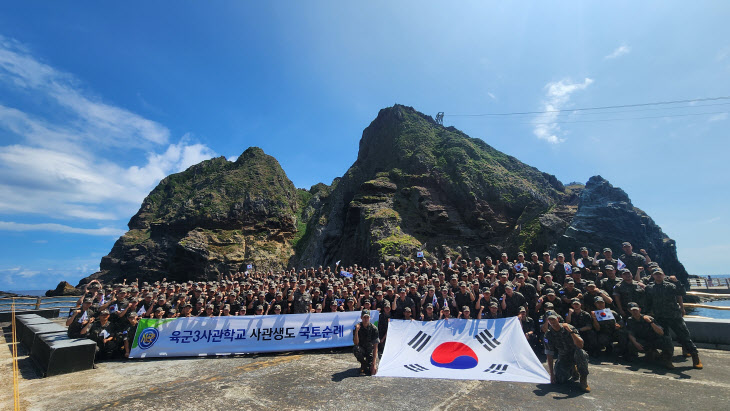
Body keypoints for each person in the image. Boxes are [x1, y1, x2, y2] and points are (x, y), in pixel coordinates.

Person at [645, 269, 702, 369]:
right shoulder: (650, 288)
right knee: (665, 339)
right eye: (656, 274)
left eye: (660, 274)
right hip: (660, 317)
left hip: (674, 316)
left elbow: (682, 293)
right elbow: (649, 301)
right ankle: (667, 359)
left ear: (663, 275)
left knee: (684, 336)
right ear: (653, 276)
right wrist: (649, 312)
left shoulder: (670, 286)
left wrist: (676, 282)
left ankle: (695, 356)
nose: (658, 276)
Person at [544, 310, 590, 392]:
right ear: (547, 320)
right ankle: (573, 369)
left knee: (581, 353)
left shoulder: (569, 327)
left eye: (553, 319)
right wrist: (551, 374)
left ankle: (583, 380)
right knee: (559, 380)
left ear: (558, 318)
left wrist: (570, 332)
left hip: (576, 354)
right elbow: (549, 354)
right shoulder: (548, 334)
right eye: (549, 320)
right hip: (564, 356)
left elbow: (580, 345)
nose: (552, 322)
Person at [623, 302, 674, 368]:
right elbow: (630, 333)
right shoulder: (630, 320)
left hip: (655, 339)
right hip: (644, 341)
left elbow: (661, 332)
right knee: (631, 343)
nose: (635, 312)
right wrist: (635, 343)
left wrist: (650, 322)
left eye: (636, 310)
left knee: (667, 340)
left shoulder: (649, 318)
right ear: (629, 311)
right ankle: (650, 353)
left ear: (639, 309)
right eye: (632, 310)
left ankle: (667, 360)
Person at [353, 309, 379, 376]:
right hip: (362, 349)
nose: (366, 319)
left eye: (367, 317)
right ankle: (363, 363)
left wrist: (374, 364)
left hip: (370, 350)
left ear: (369, 318)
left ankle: (368, 364)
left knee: (371, 371)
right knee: (356, 349)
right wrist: (356, 331)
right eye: (364, 317)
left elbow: (375, 346)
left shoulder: (374, 328)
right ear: (361, 317)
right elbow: (356, 343)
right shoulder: (357, 327)